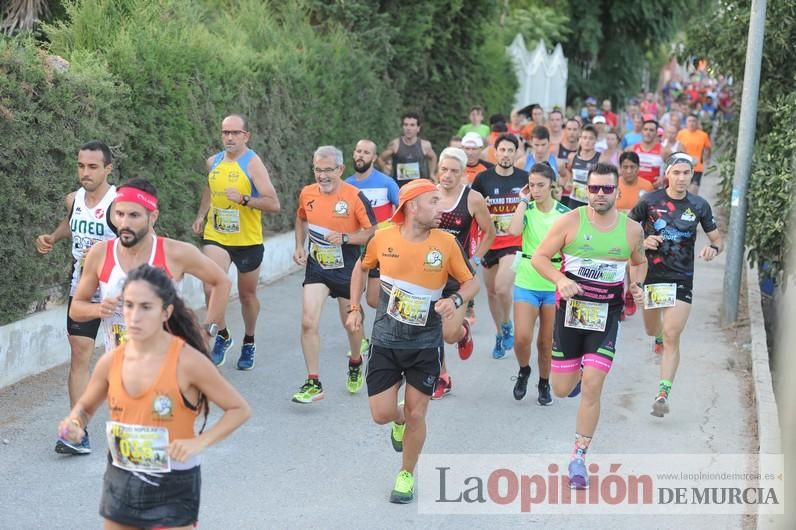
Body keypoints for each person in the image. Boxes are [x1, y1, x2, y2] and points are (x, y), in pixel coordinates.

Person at [57, 264, 250, 529]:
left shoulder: (188, 362)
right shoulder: (111, 361)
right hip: (122, 477)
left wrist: (199, 442)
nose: (134, 316)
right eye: (128, 305)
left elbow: (239, 409)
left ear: (165, 312)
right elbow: (86, 407)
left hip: (173, 482)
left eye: (146, 307)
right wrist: (75, 423)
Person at [345, 179, 479, 504]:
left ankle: (406, 473)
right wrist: (354, 308)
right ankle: (398, 418)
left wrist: (456, 302)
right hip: (386, 341)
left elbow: (471, 281)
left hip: (425, 343)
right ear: (412, 206)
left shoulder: (446, 243)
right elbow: (361, 269)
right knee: (381, 414)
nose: (442, 207)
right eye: (434, 201)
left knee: (419, 414)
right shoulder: (383, 237)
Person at [532, 163, 647, 489]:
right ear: (587, 190)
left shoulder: (631, 231)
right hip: (569, 315)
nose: (599, 194)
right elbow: (540, 257)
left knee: (594, 384)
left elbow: (639, 263)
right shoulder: (570, 221)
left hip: (606, 317)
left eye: (606, 189)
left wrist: (636, 285)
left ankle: (579, 457)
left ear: (617, 192)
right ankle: (577, 374)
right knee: (561, 389)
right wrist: (559, 279)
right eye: (594, 188)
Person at [70, 177, 231, 357]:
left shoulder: (176, 252)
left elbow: (221, 282)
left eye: (134, 215)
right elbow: (76, 309)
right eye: (119, 214)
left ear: (152, 217)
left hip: (169, 367)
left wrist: (207, 332)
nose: (124, 223)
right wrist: (98, 309)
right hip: (121, 368)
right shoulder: (100, 253)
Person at [36, 141, 118, 455]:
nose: (85, 172)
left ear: (108, 168)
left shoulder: (119, 202)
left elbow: (143, 241)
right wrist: (53, 237)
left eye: (93, 167)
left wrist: (105, 255)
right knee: (79, 354)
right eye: (81, 166)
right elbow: (72, 223)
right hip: (82, 288)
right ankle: (77, 430)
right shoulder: (73, 200)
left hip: (117, 291)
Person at [629, 153, 722, 417]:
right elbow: (625, 230)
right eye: (677, 172)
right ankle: (656, 336)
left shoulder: (699, 205)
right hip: (652, 276)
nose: (682, 178)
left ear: (692, 175)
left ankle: (662, 393)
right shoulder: (649, 201)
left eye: (687, 173)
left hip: (681, 278)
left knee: (672, 334)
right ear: (667, 173)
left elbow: (717, 240)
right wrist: (642, 242)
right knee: (652, 330)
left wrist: (712, 249)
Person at [192, 114, 281, 370]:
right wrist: (201, 215)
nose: (229, 137)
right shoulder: (213, 162)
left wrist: (244, 199)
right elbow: (210, 188)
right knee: (211, 286)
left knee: (247, 295)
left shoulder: (253, 164)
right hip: (217, 235)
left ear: (246, 136)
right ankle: (221, 335)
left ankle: (249, 341)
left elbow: (273, 203)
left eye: (234, 133)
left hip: (247, 240)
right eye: (225, 132)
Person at [291, 146, 377, 403]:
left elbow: (372, 230)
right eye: (318, 170)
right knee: (308, 322)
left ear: (340, 169)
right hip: (317, 267)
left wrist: (347, 237)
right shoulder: (307, 193)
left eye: (328, 170)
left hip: (347, 269)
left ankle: (355, 360)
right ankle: (313, 381)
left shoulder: (354, 196)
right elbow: (301, 218)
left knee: (350, 323)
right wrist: (298, 245)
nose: (323, 176)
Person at [432, 147, 495, 398]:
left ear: (462, 174)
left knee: (448, 334)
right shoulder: (428, 195)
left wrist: (476, 259)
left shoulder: (473, 199)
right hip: (429, 272)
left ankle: (462, 332)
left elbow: (489, 232)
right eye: (444, 169)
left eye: (454, 171)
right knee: (432, 329)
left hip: (458, 277)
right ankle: (442, 377)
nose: (447, 175)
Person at [507, 163, 570, 406]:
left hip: (553, 283)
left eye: (541, 185)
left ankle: (544, 382)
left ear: (552, 186)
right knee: (522, 338)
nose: (536, 190)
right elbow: (513, 231)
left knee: (545, 343)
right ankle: (524, 370)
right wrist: (522, 201)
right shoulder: (527, 208)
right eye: (532, 185)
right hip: (527, 278)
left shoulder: (564, 213)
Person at [471, 134, 528, 359]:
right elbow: (472, 209)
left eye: (510, 150)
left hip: (514, 242)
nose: (505, 154)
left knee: (503, 287)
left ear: (516, 154)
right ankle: (499, 332)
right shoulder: (483, 179)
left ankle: (507, 325)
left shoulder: (524, 178)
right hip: (489, 243)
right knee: (493, 292)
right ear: (496, 152)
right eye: (502, 150)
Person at [346, 139, 400, 309]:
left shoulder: (387, 183)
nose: (361, 155)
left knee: (373, 300)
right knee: (350, 300)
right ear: (354, 154)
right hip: (354, 248)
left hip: (380, 248)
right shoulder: (346, 185)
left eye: (366, 152)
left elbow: (404, 210)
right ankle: (360, 335)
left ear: (374, 158)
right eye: (358, 151)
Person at [379, 111, 437, 187]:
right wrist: (385, 170)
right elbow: (380, 158)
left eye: (412, 125)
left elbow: (433, 157)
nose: (408, 128)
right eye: (406, 125)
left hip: (419, 188)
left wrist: (432, 173)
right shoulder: (395, 144)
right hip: (400, 188)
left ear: (418, 128)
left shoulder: (424, 145)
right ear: (403, 127)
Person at [565, 124, 601, 208]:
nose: (587, 141)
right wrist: (568, 183)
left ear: (596, 140)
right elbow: (569, 178)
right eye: (584, 138)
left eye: (590, 138)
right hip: (574, 201)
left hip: (591, 202)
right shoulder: (572, 157)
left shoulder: (600, 159)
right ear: (580, 139)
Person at [676, 114, 712, 194]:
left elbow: (708, 148)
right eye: (689, 121)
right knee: (683, 192)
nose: (691, 123)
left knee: (693, 192)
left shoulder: (703, 135)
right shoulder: (681, 134)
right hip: (683, 167)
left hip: (697, 168)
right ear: (686, 123)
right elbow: (677, 148)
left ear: (697, 123)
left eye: (694, 121)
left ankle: (691, 206)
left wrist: (707, 159)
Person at [631, 119, 665, 188]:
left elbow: (674, 168)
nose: (648, 132)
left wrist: (664, 178)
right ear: (641, 131)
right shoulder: (631, 149)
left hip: (654, 190)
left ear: (656, 133)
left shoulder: (664, 151)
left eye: (651, 130)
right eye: (645, 129)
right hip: (636, 188)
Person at [557, 118, 581, 206]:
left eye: (575, 129)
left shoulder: (584, 151)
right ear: (565, 130)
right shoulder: (556, 149)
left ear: (579, 131)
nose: (572, 132)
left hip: (578, 197)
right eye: (569, 129)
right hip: (560, 195)